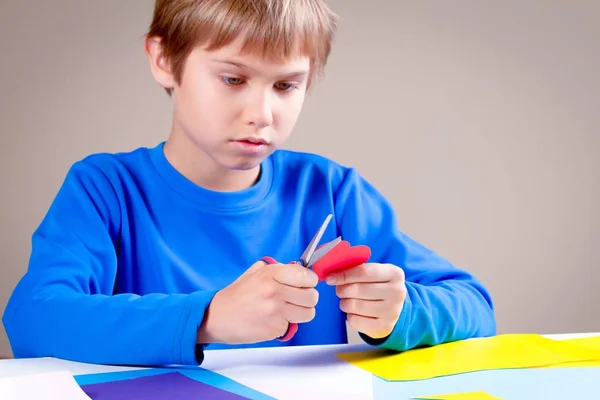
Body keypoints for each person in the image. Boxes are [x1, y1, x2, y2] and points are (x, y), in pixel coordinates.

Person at [2, 0, 496, 367]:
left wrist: (401, 312)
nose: (262, 114)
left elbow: (475, 307)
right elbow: (33, 319)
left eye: (286, 85)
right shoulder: (105, 190)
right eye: (233, 79)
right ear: (163, 60)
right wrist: (209, 318)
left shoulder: (331, 191)